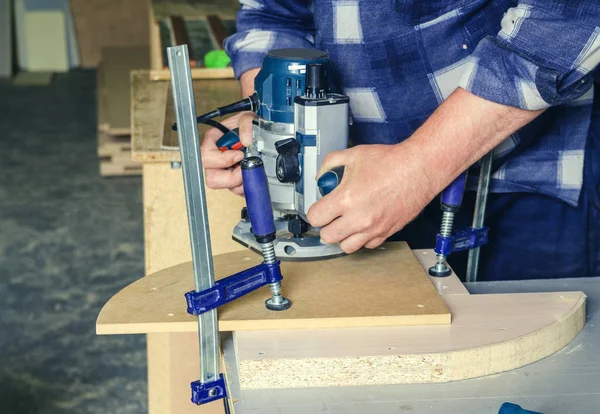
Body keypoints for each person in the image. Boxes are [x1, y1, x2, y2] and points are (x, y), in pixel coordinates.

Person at [200, 1, 600, 281]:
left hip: (528, 178)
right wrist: (272, 121)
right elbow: (273, 13)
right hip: (361, 187)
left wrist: (419, 165)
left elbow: (566, 22)